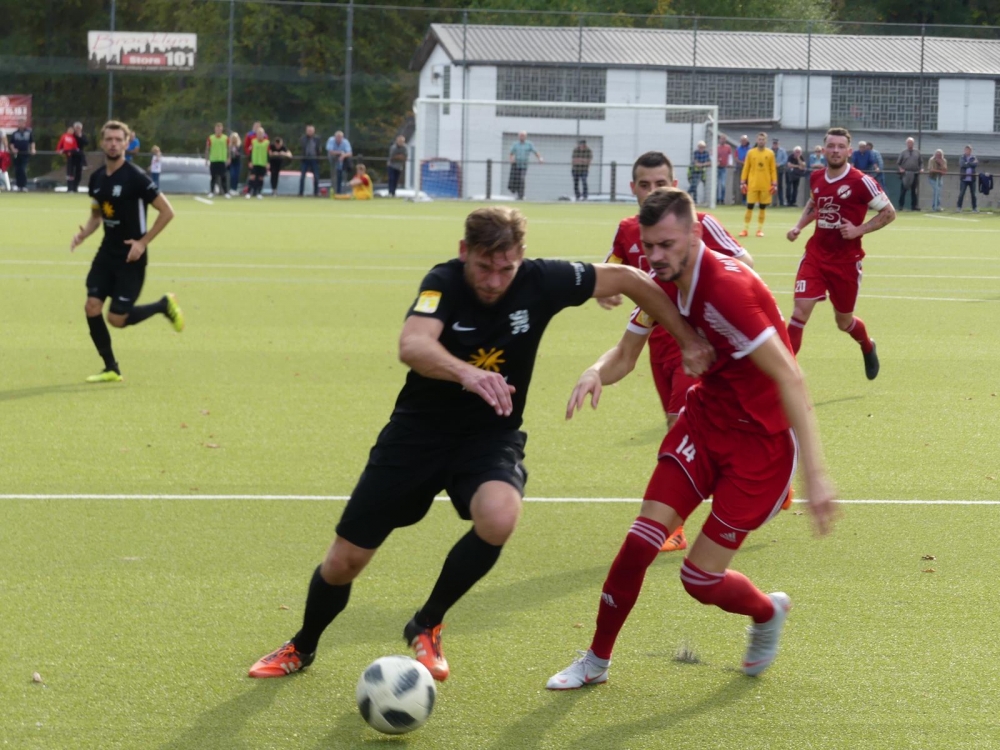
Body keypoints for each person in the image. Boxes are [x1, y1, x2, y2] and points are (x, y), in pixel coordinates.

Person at [247, 205, 713, 682]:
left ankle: (427, 623)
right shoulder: (443, 282)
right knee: (344, 561)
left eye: (505, 268)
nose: (494, 280)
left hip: (490, 437)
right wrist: (467, 373)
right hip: (416, 436)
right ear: (463, 252)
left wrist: (687, 338)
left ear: (521, 257)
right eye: (484, 267)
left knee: (500, 515)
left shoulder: (542, 280)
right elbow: (413, 344)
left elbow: (632, 280)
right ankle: (302, 645)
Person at [546, 187, 837, 690]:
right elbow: (624, 353)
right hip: (703, 425)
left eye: (667, 244)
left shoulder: (726, 290)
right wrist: (595, 371)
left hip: (760, 448)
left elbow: (791, 376)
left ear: (695, 234)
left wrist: (816, 474)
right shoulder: (665, 285)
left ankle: (767, 612)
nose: (656, 256)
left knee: (698, 579)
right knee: (640, 540)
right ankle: (595, 661)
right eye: (649, 246)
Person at [595, 151, 757, 553]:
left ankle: (674, 525)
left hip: (697, 343)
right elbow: (615, 267)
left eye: (661, 183)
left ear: (675, 185)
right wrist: (604, 290)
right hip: (656, 341)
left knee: (678, 426)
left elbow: (744, 262)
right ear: (633, 188)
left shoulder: (699, 224)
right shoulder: (628, 230)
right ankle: (761, 472)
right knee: (704, 429)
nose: (653, 191)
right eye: (645, 185)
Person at [69, 121, 184, 383]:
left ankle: (163, 305)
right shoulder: (97, 178)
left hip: (131, 257)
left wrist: (143, 243)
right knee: (92, 306)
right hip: (106, 254)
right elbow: (97, 215)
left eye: (118, 140)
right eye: (109, 139)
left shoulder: (136, 177)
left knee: (117, 319)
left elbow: (167, 212)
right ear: (102, 142)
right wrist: (83, 234)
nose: (113, 144)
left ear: (127, 143)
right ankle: (111, 368)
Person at [785, 127, 896, 379]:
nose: (835, 150)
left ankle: (867, 346)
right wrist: (799, 226)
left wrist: (859, 230)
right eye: (831, 146)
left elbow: (889, 213)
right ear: (824, 149)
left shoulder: (861, 182)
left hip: (846, 262)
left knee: (843, 322)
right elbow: (815, 203)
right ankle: (783, 380)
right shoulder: (816, 177)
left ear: (849, 151)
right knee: (799, 313)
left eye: (840, 146)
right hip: (815, 256)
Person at [739, 132, 777, 237]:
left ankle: (759, 230)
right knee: (749, 206)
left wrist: (774, 183)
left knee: (762, 207)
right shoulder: (751, 153)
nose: (761, 141)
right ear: (757, 140)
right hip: (753, 184)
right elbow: (746, 168)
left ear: (766, 141)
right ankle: (745, 229)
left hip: (765, 185)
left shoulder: (770, 153)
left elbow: (773, 169)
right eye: (759, 139)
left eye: (763, 139)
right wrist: (743, 181)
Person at [508, 131, 543, 200]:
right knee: (517, 180)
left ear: (525, 137)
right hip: (516, 165)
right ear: (518, 136)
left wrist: (540, 158)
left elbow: (535, 152)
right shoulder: (515, 144)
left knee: (522, 179)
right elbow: (511, 153)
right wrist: (511, 159)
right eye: (520, 135)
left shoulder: (529, 144)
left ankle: (521, 195)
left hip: (524, 165)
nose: (522, 137)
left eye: (523, 135)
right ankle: (518, 195)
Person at [205, 122, 230, 198]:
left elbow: (228, 149)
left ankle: (226, 192)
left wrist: (229, 158)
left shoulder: (225, 138)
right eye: (217, 128)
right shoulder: (211, 138)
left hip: (222, 160)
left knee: (223, 177)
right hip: (213, 160)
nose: (218, 130)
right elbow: (207, 149)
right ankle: (212, 192)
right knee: (213, 177)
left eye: (220, 129)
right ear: (215, 129)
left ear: (222, 129)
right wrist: (206, 159)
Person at [9, 118, 35, 191]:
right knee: (17, 170)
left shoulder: (28, 132)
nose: (21, 125)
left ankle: (23, 185)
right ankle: (18, 185)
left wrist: (33, 149)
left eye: (22, 123)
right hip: (17, 154)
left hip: (25, 154)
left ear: (24, 124)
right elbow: (11, 143)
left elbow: (32, 142)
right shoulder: (15, 133)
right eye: (19, 123)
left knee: (23, 169)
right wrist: (13, 149)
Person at [896, 137, 922, 211]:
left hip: (914, 173)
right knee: (903, 191)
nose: (910, 144)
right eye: (908, 143)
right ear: (906, 144)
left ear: (913, 144)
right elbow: (898, 163)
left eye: (911, 143)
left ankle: (914, 206)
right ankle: (901, 206)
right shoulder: (903, 152)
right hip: (905, 174)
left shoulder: (917, 152)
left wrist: (921, 169)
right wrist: (900, 169)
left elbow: (921, 162)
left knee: (914, 191)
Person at [247, 125, 269, 199]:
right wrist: (250, 161)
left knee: (260, 178)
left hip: (262, 163)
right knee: (252, 177)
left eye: (261, 133)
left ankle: (258, 192)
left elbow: (268, 153)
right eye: (258, 133)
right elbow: (250, 152)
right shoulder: (253, 142)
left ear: (263, 134)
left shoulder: (266, 142)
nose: (260, 135)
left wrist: (268, 162)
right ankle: (249, 192)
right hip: (254, 163)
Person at [299, 125, 321, 197]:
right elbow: (302, 147)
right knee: (302, 177)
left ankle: (316, 193)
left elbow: (318, 148)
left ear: (314, 131)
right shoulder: (303, 139)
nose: (310, 132)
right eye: (308, 131)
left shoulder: (317, 139)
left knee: (316, 177)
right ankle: (301, 193)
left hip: (314, 159)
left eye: (311, 131)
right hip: (305, 159)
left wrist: (318, 157)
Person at [957, 145, 978, 213]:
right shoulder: (962, 157)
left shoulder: (974, 157)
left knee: (973, 194)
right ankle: (959, 207)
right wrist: (970, 164)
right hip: (964, 179)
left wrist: (967, 163)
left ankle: (974, 208)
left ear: (971, 151)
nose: (967, 151)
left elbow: (975, 165)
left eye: (969, 150)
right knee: (961, 194)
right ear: (964, 150)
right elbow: (962, 165)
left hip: (972, 179)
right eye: (966, 150)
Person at [57, 126, 79, 192]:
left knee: (71, 172)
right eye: (70, 130)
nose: (71, 131)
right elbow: (60, 143)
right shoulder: (64, 136)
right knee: (69, 171)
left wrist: (74, 151)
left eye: (72, 130)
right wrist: (58, 150)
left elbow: (75, 147)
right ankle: (69, 187)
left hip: (72, 155)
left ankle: (71, 187)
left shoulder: (73, 138)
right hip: (67, 153)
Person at [688, 141, 710, 205]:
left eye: (703, 147)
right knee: (694, 185)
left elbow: (709, 163)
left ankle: (693, 199)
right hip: (694, 171)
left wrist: (702, 164)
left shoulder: (706, 153)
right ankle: (690, 197)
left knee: (695, 185)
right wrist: (703, 164)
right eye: (700, 147)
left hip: (702, 172)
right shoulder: (696, 153)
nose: (701, 148)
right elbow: (696, 164)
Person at [733, 134, 750, 204]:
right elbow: (736, 158)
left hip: (749, 169)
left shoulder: (750, 149)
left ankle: (749, 199)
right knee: (742, 184)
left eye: (745, 140)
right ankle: (741, 200)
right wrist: (743, 163)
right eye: (742, 140)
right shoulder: (738, 149)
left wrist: (747, 163)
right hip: (740, 168)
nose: (743, 142)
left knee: (749, 183)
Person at [716, 135, 732, 205]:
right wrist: (716, 162)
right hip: (717, 168)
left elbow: (730, 156)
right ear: (719, 139)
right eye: (721, 139)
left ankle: (722, 199)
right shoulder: (716, 147)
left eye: (724, 139)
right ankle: (717, 199)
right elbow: (712, 156)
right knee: (717, 184)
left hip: (724, 167)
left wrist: (730, 163)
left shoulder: (728, 147)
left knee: (723, 184)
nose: (722, 140)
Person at [772, 138, 788, 207]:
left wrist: (779, 164)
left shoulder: (782, 151)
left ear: (778, 144)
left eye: (776, 143)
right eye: (774, 143)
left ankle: (781, 202)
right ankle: (771, 202)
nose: (775, 145)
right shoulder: (769, 150)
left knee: (779, 186)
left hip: (779, 170)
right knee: (771, 186)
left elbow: (785, 159)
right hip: (771, 171)